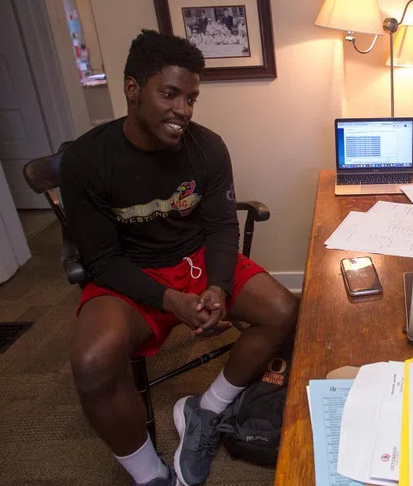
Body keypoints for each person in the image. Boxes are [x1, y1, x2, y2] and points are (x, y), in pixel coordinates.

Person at [60, 29, 299, 486]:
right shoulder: (87, 161)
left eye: (191, 98)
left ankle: (205, 409)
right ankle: (150, 474)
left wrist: (219, 286)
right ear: (133, 89)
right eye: (170, 94)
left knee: (284, 311)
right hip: (129, 274)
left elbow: (220, 227)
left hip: (195, 262)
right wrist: (169, 299)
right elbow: (102, 259)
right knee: (92, 363)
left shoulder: (207, 147)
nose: (183, 111)